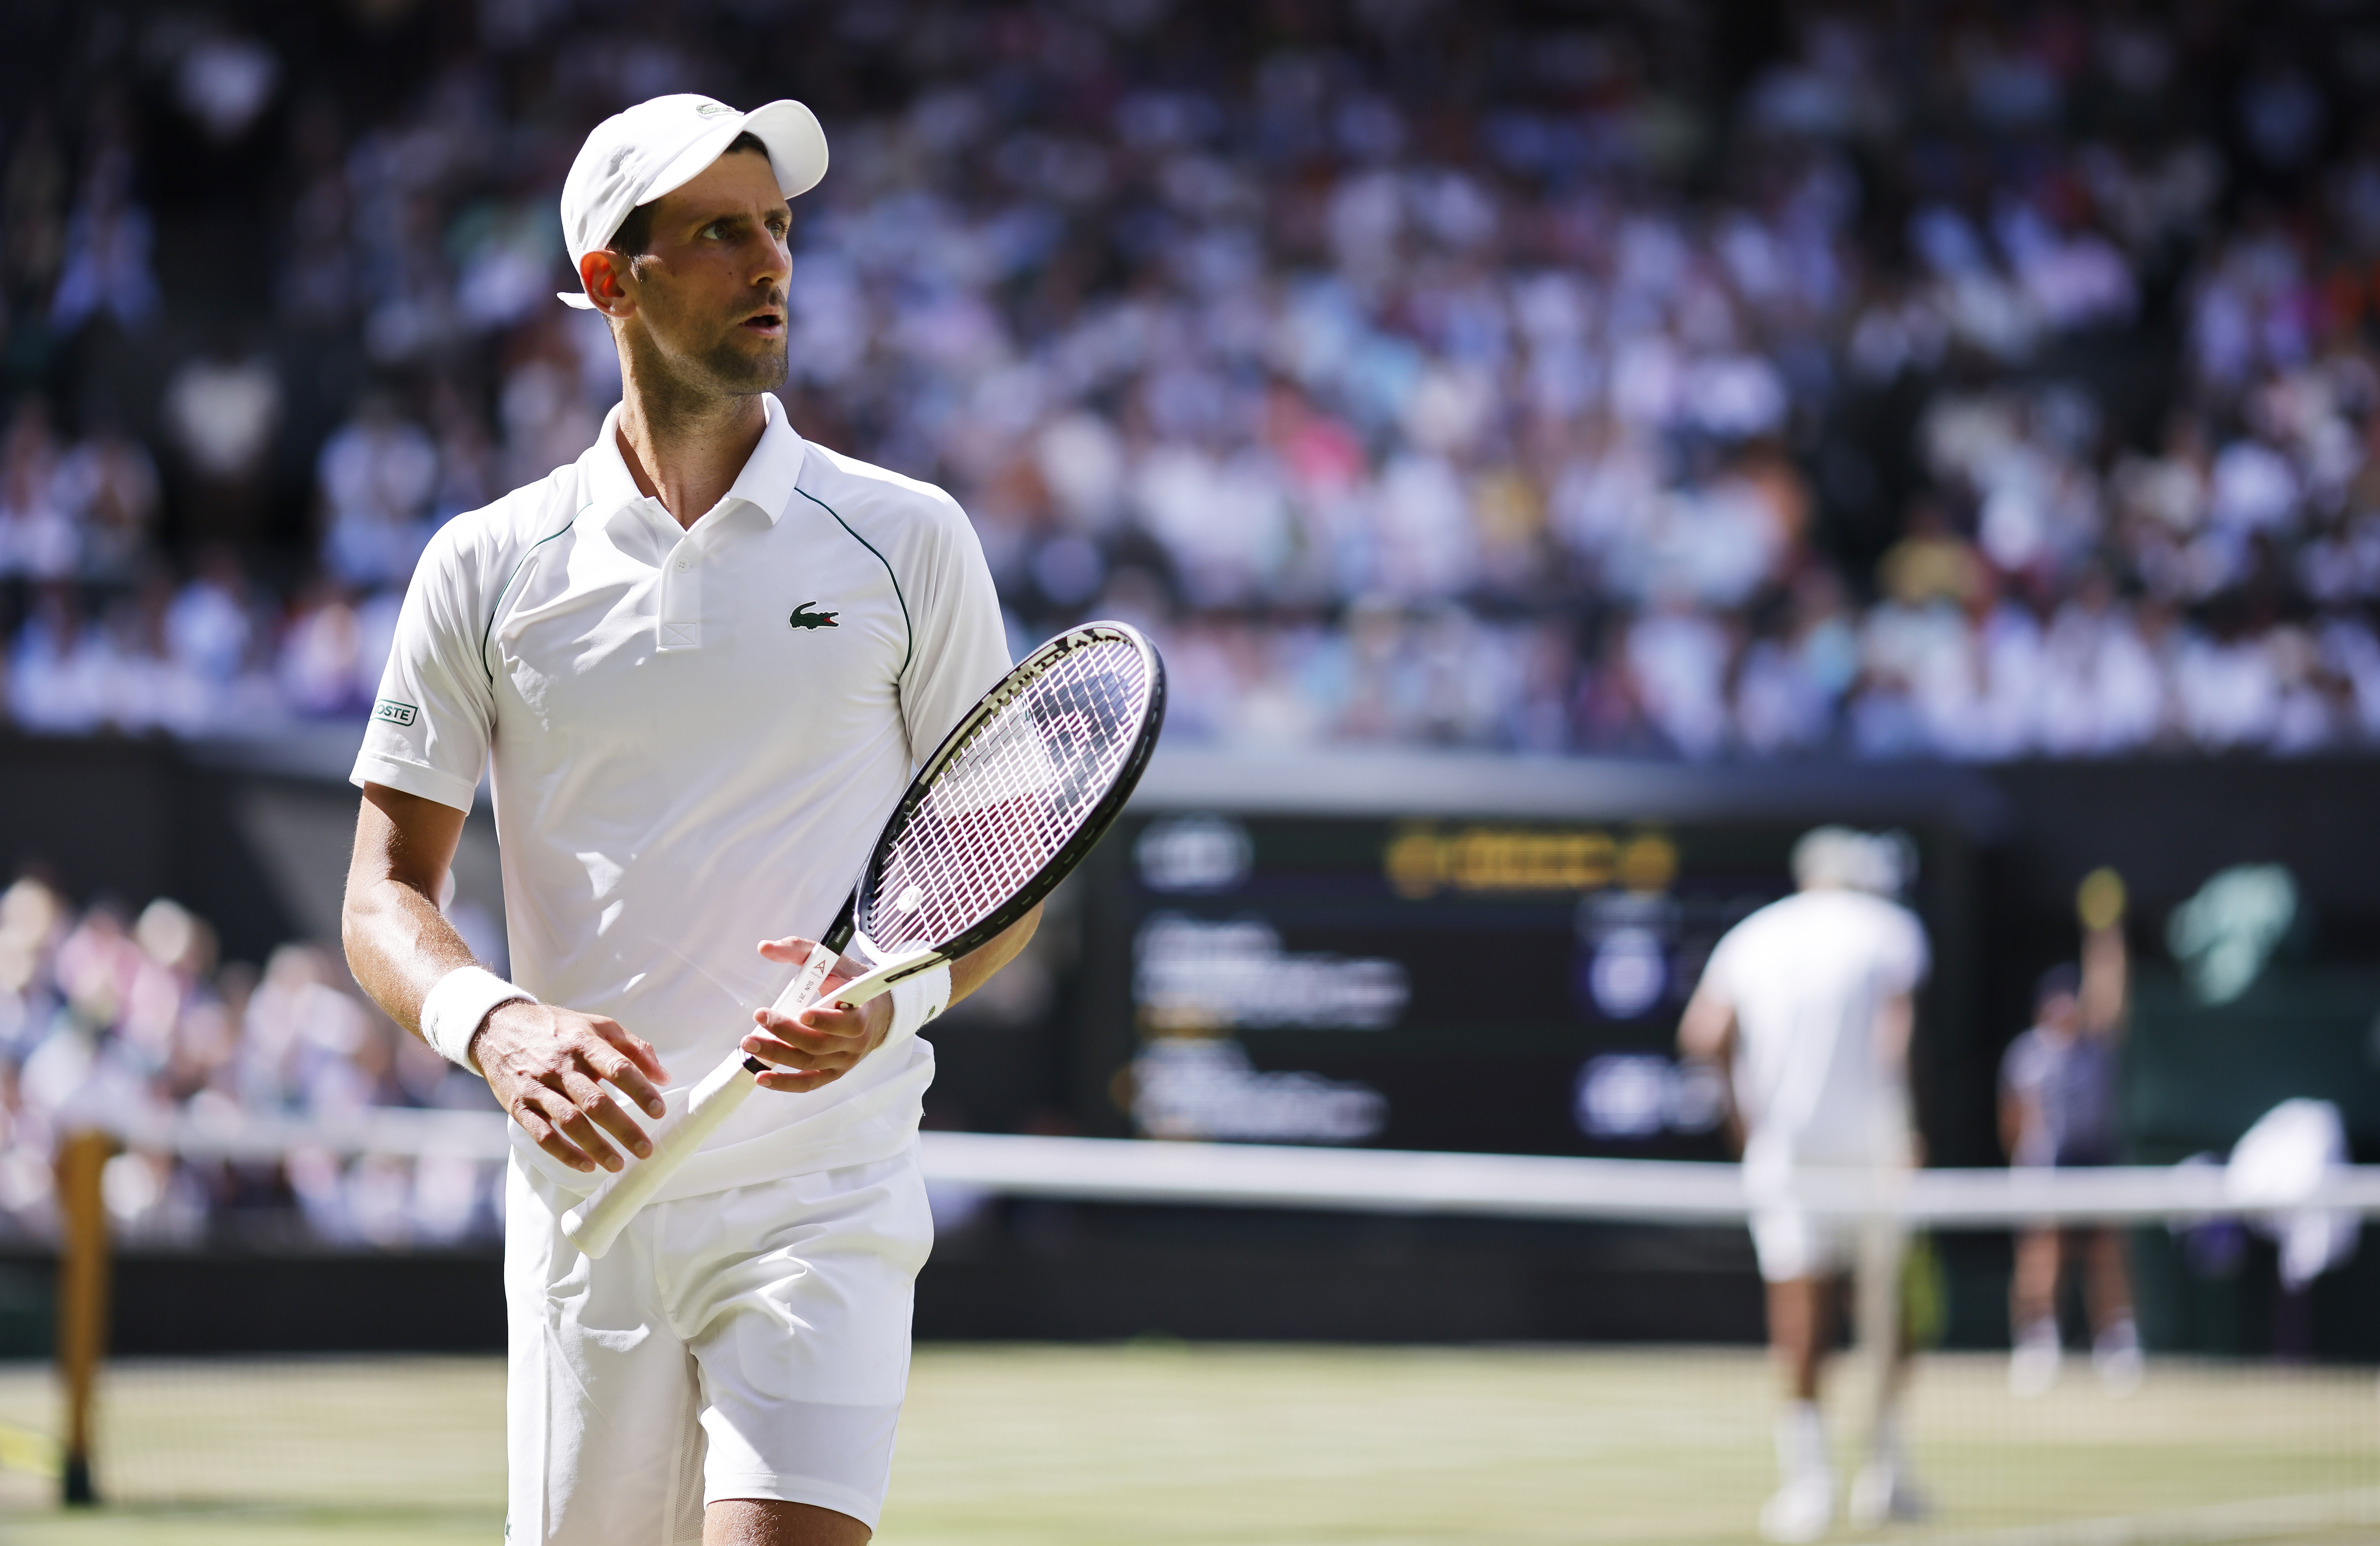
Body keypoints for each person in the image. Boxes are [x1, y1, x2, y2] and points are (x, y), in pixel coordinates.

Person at [340, 95, 1030, 1546]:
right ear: (610, 277)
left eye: (776, 226)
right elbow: (384, 894)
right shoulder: (483, 563)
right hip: (586, 1218)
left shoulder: (912, 538)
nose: (768, 261)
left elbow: (1002, 877)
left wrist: (886, 1008)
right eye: (718, 233)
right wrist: (496, 1022)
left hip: (822, 1195)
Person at [1678, 826, 1930, 1544]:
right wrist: (1901, 1128)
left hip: (1786, 1157)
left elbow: (1702, 1036)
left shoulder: (1751, 937)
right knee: (1878, 1314)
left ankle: (1819, 1484)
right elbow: (1898, 1033)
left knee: (1802, 1311)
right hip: (1865, 1156)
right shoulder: (1889, 930)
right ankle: (1875, 1477)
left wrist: (1746, 1131)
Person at [2000, 867, 2138, 1397]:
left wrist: (2104, 930)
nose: (2065, 1012)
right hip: (2046, 1162)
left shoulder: (2097, 1044)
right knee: (2042, 1253)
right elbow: (2011, 1117)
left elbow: (2110, 989)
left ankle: (2117, 1343)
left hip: (2096, 1155)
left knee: (2107, 1252)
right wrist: (2024, 1162)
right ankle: (2037, 1343)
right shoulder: (2027, 1056)